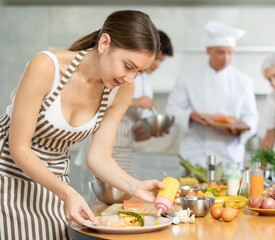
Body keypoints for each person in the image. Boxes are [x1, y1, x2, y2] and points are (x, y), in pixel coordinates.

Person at [0, 10, 170, 239]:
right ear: (104, 43)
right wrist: (67, 193)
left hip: (55, 180)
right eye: (128, 66)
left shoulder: (122, 89)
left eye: (140, 71)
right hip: (7, 175)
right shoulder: (46, 67)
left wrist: (135, 187)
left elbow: (99, 157)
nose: (132, 79)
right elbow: (19, 148)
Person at [166, 21, 258, 170]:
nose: (226, 58)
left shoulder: (243, 81)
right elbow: (172, 110)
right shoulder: (188, 76)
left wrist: (239, 130)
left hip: (229, 156)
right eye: (221, 52)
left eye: (230, 52)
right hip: (196, 154)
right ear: (208, 51)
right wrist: (190, 116)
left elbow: (251, 117)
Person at [113, 30, 173, 176]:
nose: (158, 64)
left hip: (125, 149)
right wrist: (135, 102)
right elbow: (103, 102)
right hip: (105, 147)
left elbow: (137, 135)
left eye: (161, 60)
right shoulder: (121, 74)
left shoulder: (147, 85)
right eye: (157, 58)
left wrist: (152, 131)